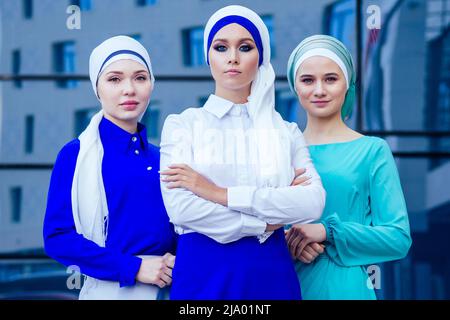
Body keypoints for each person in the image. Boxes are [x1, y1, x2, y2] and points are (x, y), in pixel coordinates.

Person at [159, 5, 325, 300]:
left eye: (245, 47)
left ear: (260, 57)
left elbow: (312, 202)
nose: (232, 57)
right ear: (207, 56)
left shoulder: (285, 132)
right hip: (204, 274)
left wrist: (214, 191)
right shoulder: (183, 125)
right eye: (221, 47)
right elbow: (182, 209)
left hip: (270, 274)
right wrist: (266, 221)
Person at [43, 35, 177, 300]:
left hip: (172, 290)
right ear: (97, 88)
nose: (129, 89)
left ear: (151, 84)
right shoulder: (76, 155)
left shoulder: (165, 157)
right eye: (114, 79)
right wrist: (134, 267)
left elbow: (185, 226)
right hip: (109, 292)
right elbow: (58, 238)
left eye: (140, 78)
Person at [285, 34, 412, 299]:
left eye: (330, 79)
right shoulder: (278, 151)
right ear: (295, 86)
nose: (319, 90)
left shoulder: (372, 150)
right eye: (308, 80)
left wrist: (326, 232)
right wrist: (288, 241)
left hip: (344, 288)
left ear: (347, 84)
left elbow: (398, 238)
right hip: (284, 284)